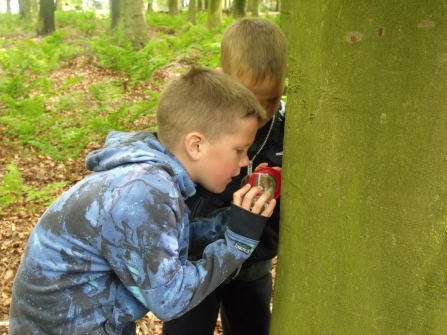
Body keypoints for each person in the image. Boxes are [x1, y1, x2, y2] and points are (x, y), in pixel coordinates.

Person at [8, 66, 277, 335]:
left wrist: (235, 219)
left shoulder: (153, 179)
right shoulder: (145, 191)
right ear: (196, 145)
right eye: (239, 150)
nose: (245, 162)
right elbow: (170, 300)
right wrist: (238, 242)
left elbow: (169, 242)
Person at [162, 17, 288, 335]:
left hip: (252, 268)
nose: (261, 110)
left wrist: (251, 249)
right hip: (195, 264)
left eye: (271, 99)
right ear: (223, 80)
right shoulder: (199, 120)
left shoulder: (288, 133)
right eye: (249, 98)